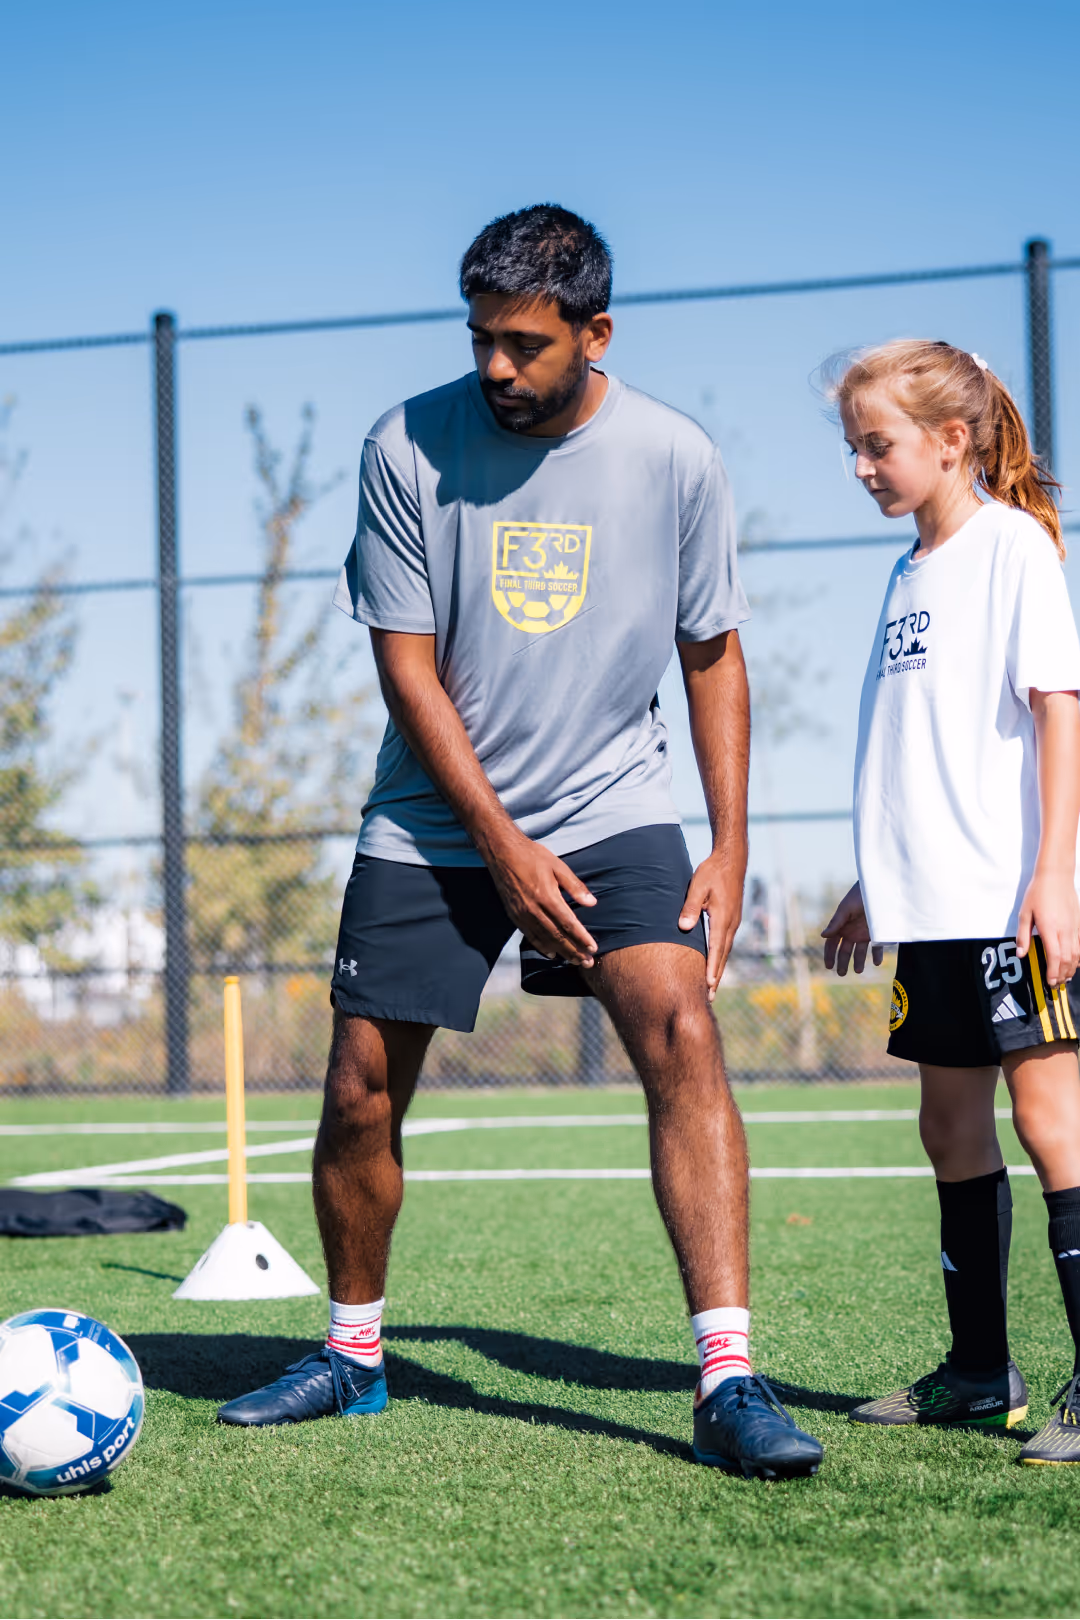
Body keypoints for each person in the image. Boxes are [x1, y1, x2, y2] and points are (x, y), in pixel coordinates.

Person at [218, 204, 823, 1479]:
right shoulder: (407, 444)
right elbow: (407, 668)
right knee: (359, 1087)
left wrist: (730, 841)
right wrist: (496, 843)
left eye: (526, 344)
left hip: (613, 806)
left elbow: (711, 653)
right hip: (438, 817)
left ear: (595, 334)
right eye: (482, 338)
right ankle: (352, 1355)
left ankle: (727, 1377)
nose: (496, 366)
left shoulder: (676, 457)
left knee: (681, 1027)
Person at [820, 338, 1080, 1464]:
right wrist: (868, 882)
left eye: (877, 447)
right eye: (855, 450)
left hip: (1007, 900)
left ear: (950, 440)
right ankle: (981, 1373)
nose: (864, 469)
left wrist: (1056, 873)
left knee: (1053, 1126)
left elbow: (1059, 710)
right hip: (927, 908)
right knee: (948, 1128)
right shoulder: (906, 571)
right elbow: (911, 746)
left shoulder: (1012, 548)